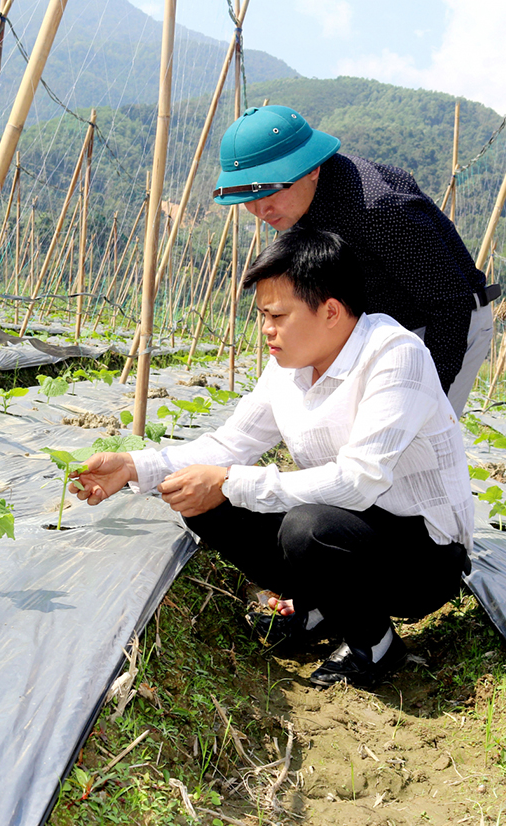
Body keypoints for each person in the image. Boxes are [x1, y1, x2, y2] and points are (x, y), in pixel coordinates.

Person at [70, 226, 474, 688]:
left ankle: (375, 645)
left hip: (422, 555)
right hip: (348, 528)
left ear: (331, 312)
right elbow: (229, 445)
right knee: (204, 500)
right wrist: (135, 466)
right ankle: (318, 608)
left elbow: (359, 482)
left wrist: (230, 480)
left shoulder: (395, 355)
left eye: (277, 315)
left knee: (306, 529)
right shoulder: (289, 366)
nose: (266, 329)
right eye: (262, 315)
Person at [211, 104, 498, 418]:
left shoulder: (378, 209)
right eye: (249, 199)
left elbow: (450, 305)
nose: (261, 210)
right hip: (380, 325)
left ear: (311, 169)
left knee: (412, 443)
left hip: (440, 325)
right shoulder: (304, 203)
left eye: (271, 192)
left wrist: (425, 395)